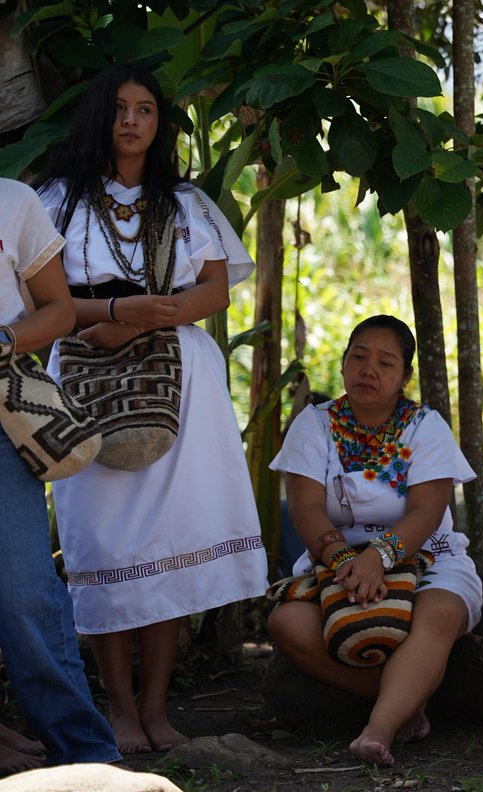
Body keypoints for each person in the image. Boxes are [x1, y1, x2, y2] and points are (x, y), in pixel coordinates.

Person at [34, 63, 267, 752]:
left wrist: (143, 320)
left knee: (170, 544)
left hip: (179, 379)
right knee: (104, 544)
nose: (131, 121)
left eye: (145, 110)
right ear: (98, 116)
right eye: (119, 108)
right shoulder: (56, 201)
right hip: (84, 371)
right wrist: (112, 312)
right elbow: (40, 298)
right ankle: (119, 709)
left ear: (159, 124)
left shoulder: (185, 202)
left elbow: (214, 290)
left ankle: (157, 708)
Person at [268, 315, 483, 767]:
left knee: (439, 613)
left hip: (428, 556)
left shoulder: (425, 426)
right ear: (343, 363)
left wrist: (378, 559)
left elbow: (426, 511)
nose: (369, 370)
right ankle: (408, 699)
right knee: (287, 623)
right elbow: (305, 508)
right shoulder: (314, 424)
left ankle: (379, 728)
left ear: (405, 376)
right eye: (359, 357)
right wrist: (345, 560)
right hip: (334, 561)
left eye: (386, 363)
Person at [0, 178, 120, 771]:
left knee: (24, 587)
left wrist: (2, 338)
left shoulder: (13, 201)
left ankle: (88, 758)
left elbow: (60, 311)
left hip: (3, 414)